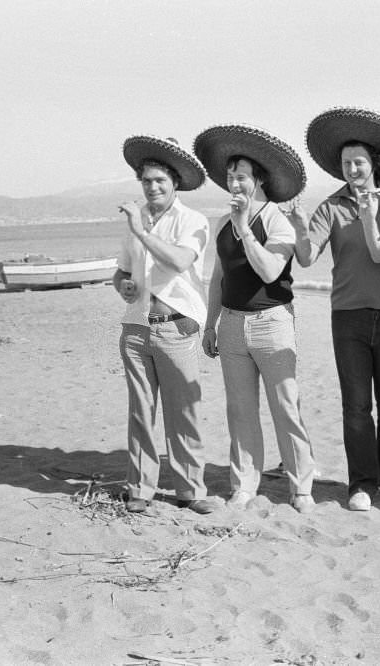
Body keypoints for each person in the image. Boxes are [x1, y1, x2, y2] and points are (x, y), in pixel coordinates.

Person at [284, 107, 380, 511]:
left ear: (373, 163)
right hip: (347, 316)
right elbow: (308, 257)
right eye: (346, 163)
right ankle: (361, 483)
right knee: (356, 406)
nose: (352, 168)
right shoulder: (331, 206)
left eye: (358, 161)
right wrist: (297, 227)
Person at [192, 124, 317, 514]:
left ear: (258, 179)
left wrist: (246, 227)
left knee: (286, 407)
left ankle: (302, 489)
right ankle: (244, 484)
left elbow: (268, 272)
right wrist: (210, 324)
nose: (234, 184)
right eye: (230, 177)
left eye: (241, 177)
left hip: (271, 321)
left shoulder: (275, 220)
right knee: (240, 410)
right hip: (231, 324)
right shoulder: (221, 223)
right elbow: (218, 279)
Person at [114, 136, 214, 515]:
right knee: (140, 410)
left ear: (174, 182)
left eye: (160, 180)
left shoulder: (193, 220)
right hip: (136, 326)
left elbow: (177, 261)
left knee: (183, 410)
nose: (152, 187)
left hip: (176, 326)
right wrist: (122, 285)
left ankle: (189, 489)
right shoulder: (136, 219)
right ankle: (140, 488)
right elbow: (122, 270)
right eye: (146, 181)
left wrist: (141, 230)